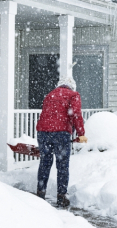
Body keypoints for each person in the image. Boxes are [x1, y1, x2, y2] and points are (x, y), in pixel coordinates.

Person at [35, 76, 88, 207]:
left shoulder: (49, 95)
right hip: (61, 133)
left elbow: (47, 115)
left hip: (43, 132)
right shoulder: (73, 95)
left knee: (45, 163)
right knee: (62, 165)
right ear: (72, 86)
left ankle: (40, 194)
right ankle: (61, 197)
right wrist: (81, 133)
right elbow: (75, 113)